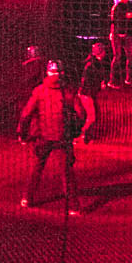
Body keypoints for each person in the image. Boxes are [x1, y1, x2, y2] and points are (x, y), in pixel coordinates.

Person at [18, 60, 83, 211]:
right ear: (62, 73)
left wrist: (23, 134)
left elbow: (26, 114)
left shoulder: (39, 91)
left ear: (48, 73)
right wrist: (75, 131)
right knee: (66, 172)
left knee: (37, 168)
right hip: (62, 136)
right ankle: (74, 207)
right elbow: (81, 114)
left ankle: (27, 199)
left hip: (43, 136)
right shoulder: (67, 91)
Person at [78, 40, 108, 142]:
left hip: (88, 93)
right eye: (103, 51)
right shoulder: (93, 65)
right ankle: (81, 135)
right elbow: (89, 81)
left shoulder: (95, 62)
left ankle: (88, 135)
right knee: (92, 117)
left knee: (95, 115)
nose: (105, 53)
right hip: (87, 94)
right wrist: (100, 85)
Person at [109, 0, 132, 87]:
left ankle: (129, 79)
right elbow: (115, 22)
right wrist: (126, 16)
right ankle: (113, 80)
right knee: (117, 57)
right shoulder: (116, 7)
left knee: (130, 57)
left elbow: (131, 20)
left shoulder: (129, 6)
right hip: (117, 35)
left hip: (127, 35)